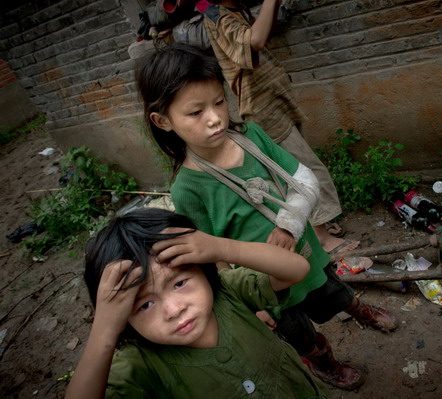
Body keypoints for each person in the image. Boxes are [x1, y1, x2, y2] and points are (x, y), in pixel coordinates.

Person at [135, 43, 397, 389]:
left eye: (218, 102)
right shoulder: (189, 188)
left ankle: (360, 311)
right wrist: (247, 304)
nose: (214, 117)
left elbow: (303, 181)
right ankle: (324, 361)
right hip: (265, 286)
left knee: (334, 291)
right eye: (195, 113)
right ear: (163, 121)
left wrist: (289, 226)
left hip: (305, 254)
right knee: (299, 333)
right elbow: (211, 257)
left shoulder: (250, 137)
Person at [65, 208, 331, 398]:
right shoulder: (139, 364)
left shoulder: (226, 291)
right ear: (122, 319)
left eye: (179, 283)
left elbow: (296, 269)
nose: (174, 309)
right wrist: (104, 331)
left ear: (204, 271)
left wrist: (222, 249)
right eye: (144, 305)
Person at [201, 0, 356, 253]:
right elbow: (255, 40)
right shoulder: (218, 17)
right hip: (263, 108)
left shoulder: (232, 11)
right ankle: (323, 239)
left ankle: (318, 224)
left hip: (272, 99)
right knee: (304, 169)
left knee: (295, 166)